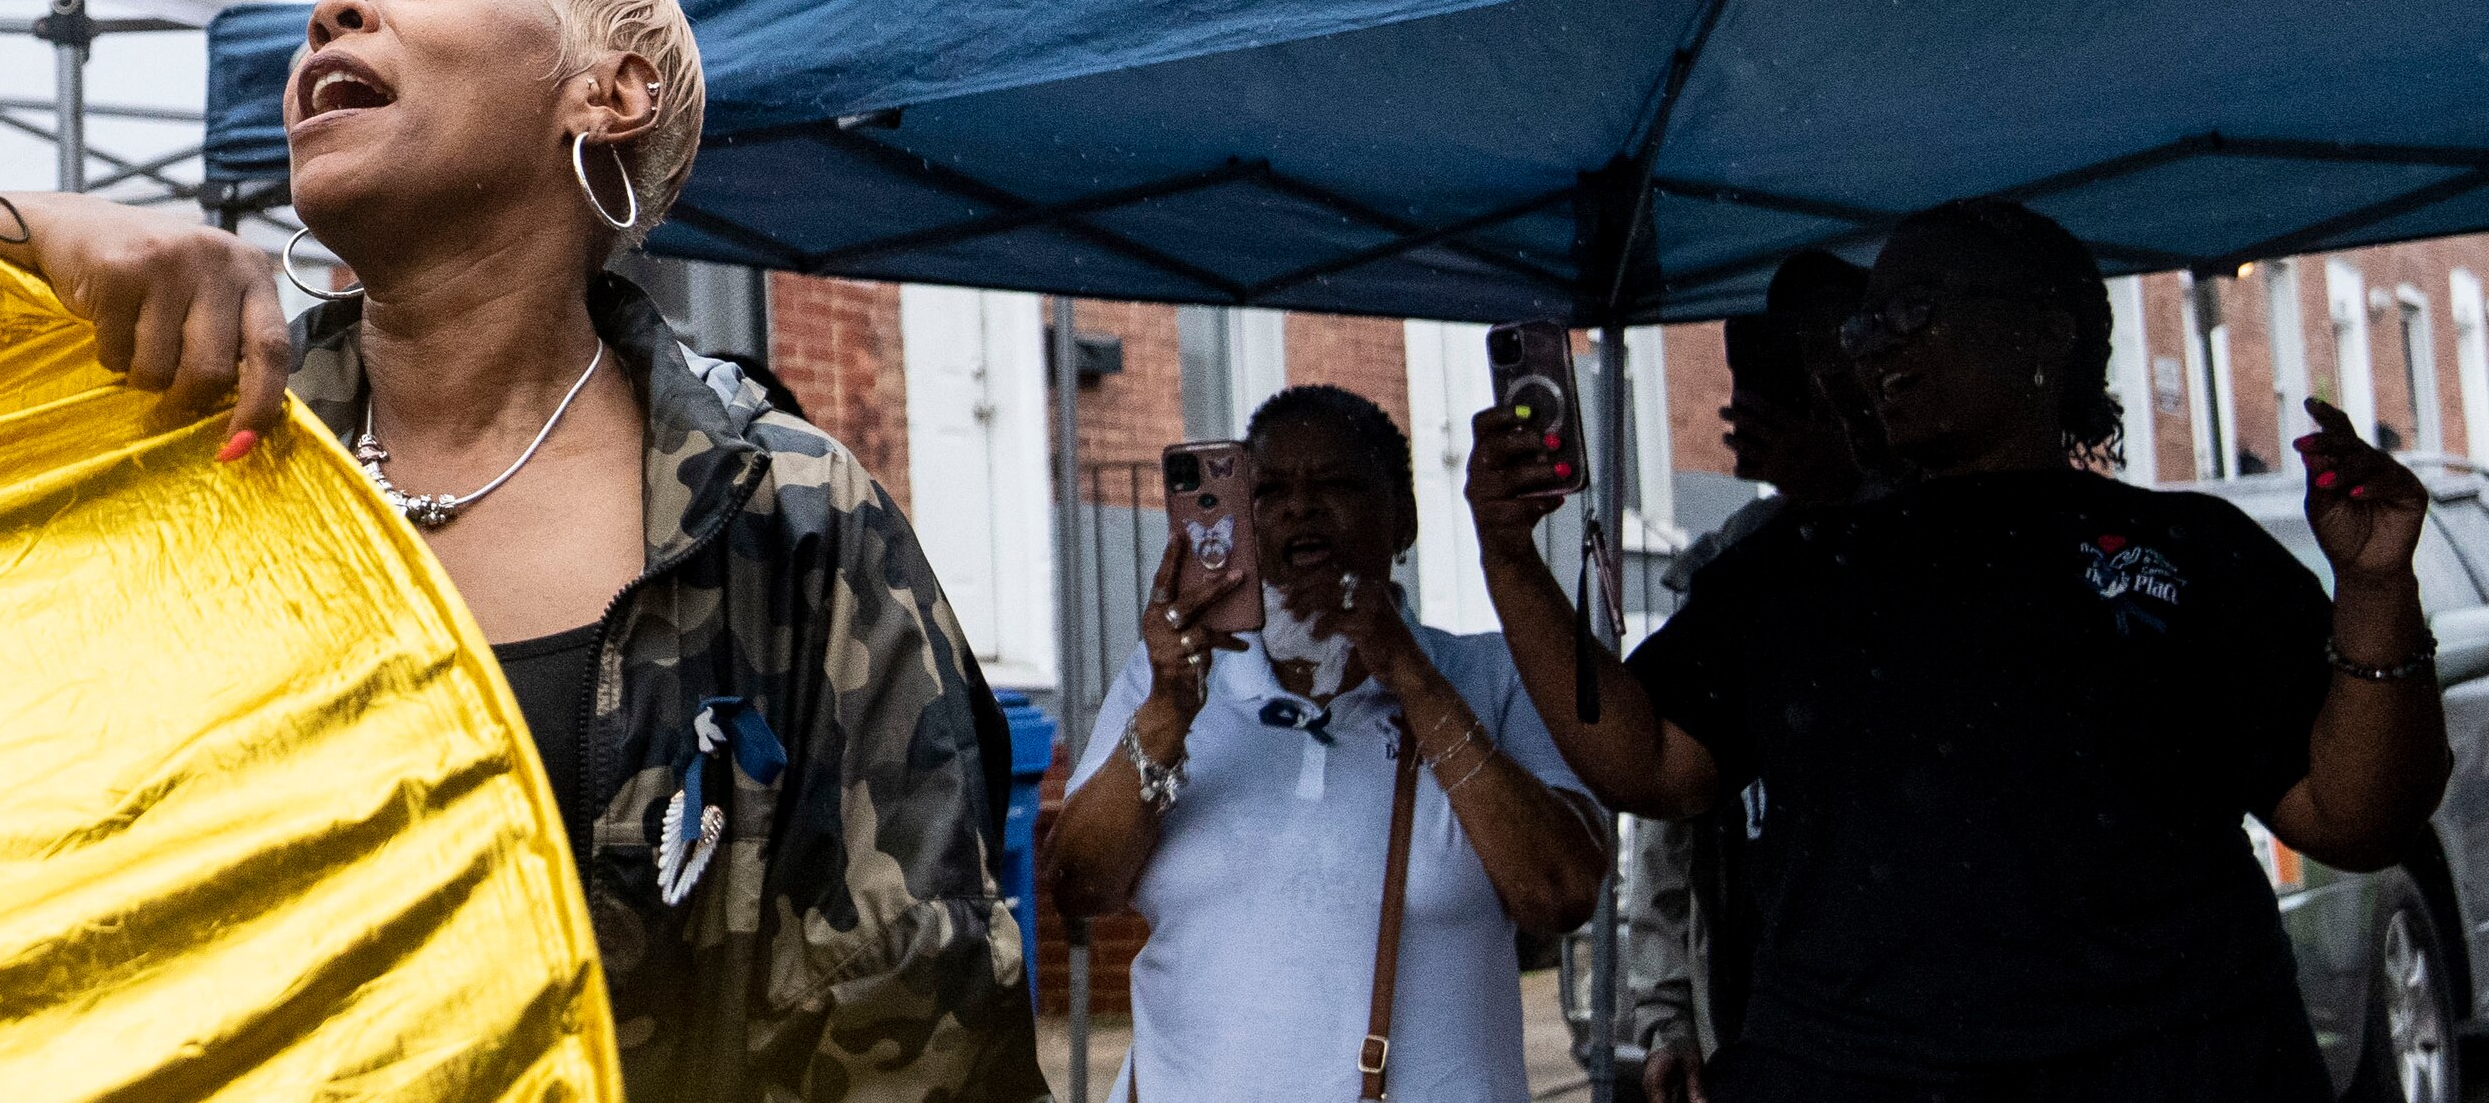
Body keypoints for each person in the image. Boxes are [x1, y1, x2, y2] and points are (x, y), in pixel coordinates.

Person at [0, 0, 1040, 1098]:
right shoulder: (171, 419)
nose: (338, 15)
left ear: (608, 92)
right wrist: (31, 233)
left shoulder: (775, 514)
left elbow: (913, 1029)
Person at [1476, 196, 2455, 1099]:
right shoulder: (1792, 569)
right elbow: (1641, 760)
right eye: (1869, 321)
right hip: (1850, 1076)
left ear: (2043, 331)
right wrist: (1510, 558)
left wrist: (2373, 587)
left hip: (2175, 1069)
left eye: (1918, 310)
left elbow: (2351, 818)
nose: (1876, 343)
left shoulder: (2182, 553)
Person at [1042, 385, 1610, 1101]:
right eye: (1270, 490)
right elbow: (1077, 887)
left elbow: (1560, 894)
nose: (1299, 507)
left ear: (1402, 520)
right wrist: (1166, 714)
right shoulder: (1170, 683)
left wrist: (1408, 674)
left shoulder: (1493, 674)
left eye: (1335, 484)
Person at [1625, 252, 1875, 1103]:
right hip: (1757, 1010)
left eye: (1792, 383)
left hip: (1909, 1014)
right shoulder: (1734, 564)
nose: (1748, 408)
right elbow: (1666, 813)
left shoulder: (1935, 550)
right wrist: (1665, 1013)